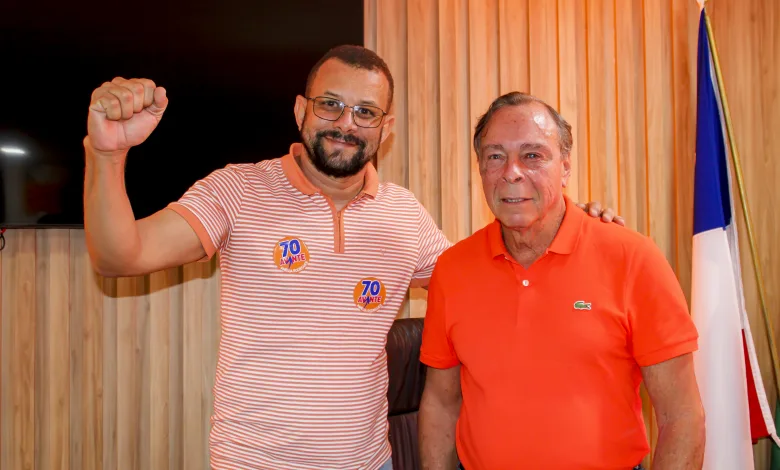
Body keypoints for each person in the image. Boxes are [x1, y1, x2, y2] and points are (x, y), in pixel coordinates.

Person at [83, 46, 619, 469]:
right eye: (330, 104)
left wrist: (570, 228)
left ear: (385, 129)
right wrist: (107, 154)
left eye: (366, 111)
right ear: (301, 110)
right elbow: (119, 255)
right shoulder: (238, 190)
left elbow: (493, 281)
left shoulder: (403, 216)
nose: (346, 123)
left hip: (370, 464)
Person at [418, 92, 706, 470]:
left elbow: (682, 416)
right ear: (481, 170)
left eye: (533, 155)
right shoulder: (452, 269)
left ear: (566, 167)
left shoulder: (633, 258)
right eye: (495, 156)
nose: (512, 172)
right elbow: (441, 404)